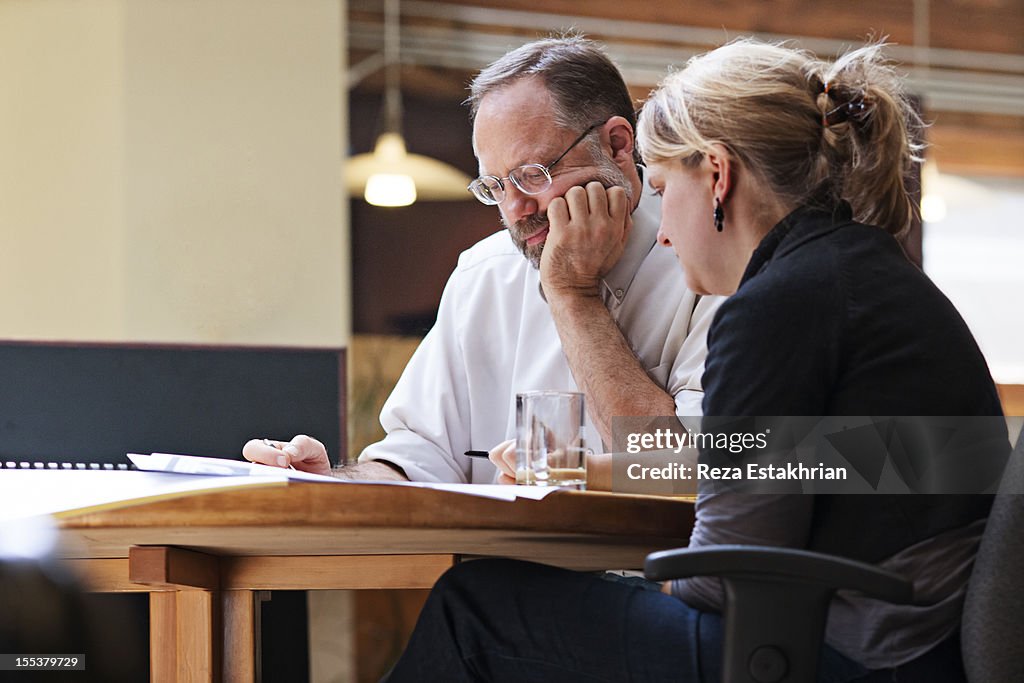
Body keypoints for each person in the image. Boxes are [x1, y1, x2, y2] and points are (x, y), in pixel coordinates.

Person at [384, 39, 1006, 682]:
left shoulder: (775, 306)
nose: (661, 229)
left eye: (660, 187)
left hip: (854, 655)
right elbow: (762, 458)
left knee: (478, 608)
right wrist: (594, 472)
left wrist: (623, 602)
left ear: (717, 175)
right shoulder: (853, 274)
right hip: (909, 647)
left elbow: (719, 572)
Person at [243, 35, 720, 483]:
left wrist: (572, 296)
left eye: (533, 175)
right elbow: (420, 455)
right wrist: (329, 484)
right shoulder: (484, 272)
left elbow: (693, 469)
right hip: (504, 563)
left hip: (649, 568)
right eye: (494, 187)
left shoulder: (712, 263)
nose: (515, 211)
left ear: (618, 145)